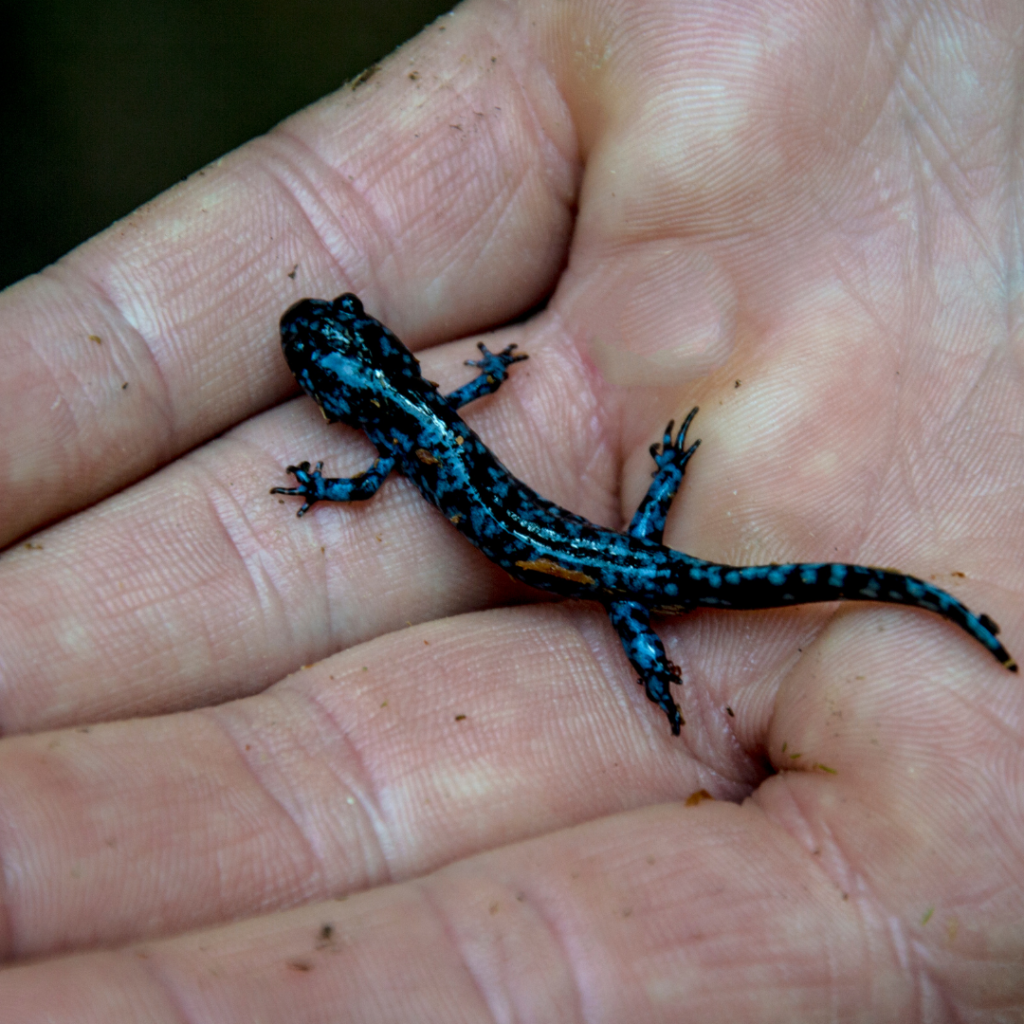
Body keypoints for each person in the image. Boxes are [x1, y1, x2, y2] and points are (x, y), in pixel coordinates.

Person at [1, 1, 1021, 1018]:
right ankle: (879, 599)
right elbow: (447, 422)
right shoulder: (427, 410)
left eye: (325, 353)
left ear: (347, 390)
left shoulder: (398, 439)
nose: (325, 345)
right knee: (640, 576)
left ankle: (888, 605)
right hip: (621, 565)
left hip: (625, 583)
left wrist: (321, 486)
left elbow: (364, 485)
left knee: (642, 594)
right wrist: (515, 394)